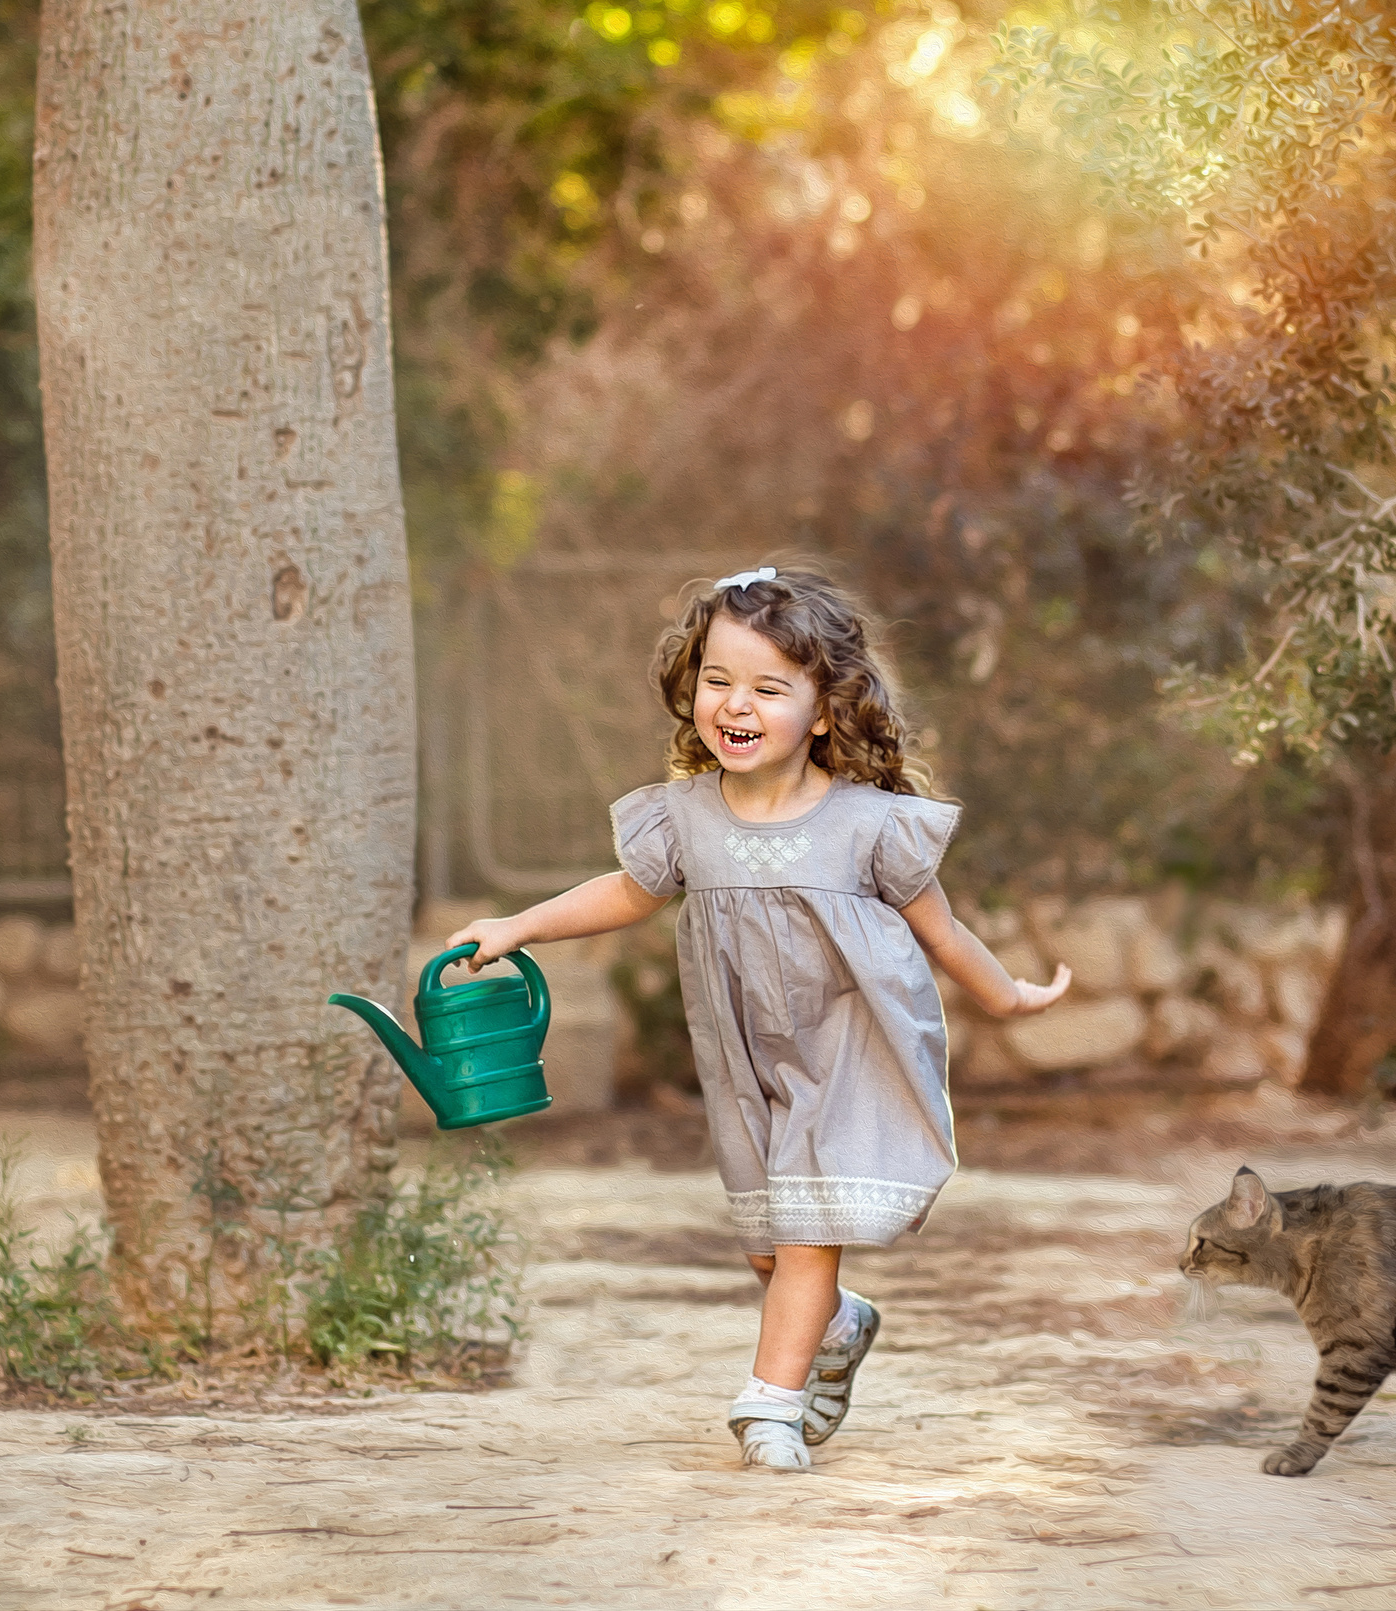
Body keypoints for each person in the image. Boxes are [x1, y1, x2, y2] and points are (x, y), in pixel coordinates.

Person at [448, 564, 1071, 1471]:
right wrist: (519, 924)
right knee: (769, 1245)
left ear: (823, 710)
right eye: (717, 679)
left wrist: (1006, 994)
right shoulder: (685, 817)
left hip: (846, 1045)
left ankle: (769, 1407)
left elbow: (943, 929)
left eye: (768, 688)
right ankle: (838, 1322)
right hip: (743, 1057)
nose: (735, 703)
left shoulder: (868, 824)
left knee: (806, 1226)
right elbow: (624, 893)